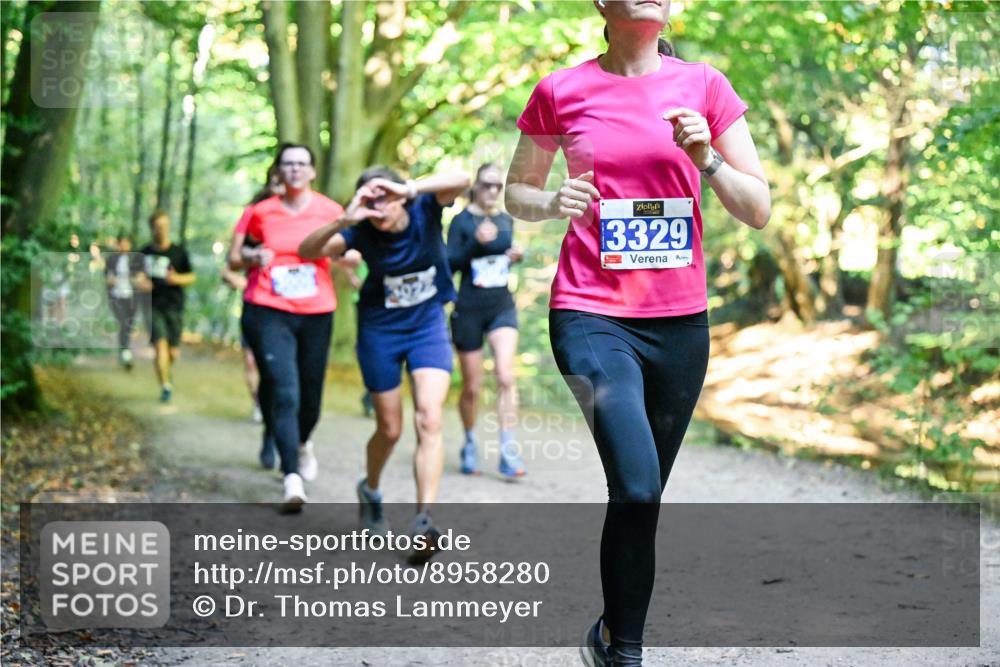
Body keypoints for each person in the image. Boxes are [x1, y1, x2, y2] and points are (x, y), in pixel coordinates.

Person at [505, 1, 771, 664]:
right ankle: (627, 652)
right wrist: (551, 200)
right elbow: (518, 191)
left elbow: (758, 208)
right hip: (591, 311)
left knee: (641, 497)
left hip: (679, 323)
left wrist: (707, 159)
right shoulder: (560, 90)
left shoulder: (706, 87)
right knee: (638, 485)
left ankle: (606, 634)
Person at [298, 166, 469, 563]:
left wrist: (406, 188)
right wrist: (345, 217)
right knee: (389, 429)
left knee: (429, 419)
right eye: (369, 200)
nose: (379, 207)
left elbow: (462, 178)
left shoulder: (426, 206)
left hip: (427, 325)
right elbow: (308, 252)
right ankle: (371, 489)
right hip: (380, 330)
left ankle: (424, 520)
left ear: (399, 193)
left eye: (384, 197)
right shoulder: (359, 231)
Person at [239, 143, 352, 511]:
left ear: (312, 172)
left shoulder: (330, 211)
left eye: (302, 164)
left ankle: (301, 443)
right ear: (280, 171)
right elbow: (236, 255)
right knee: (285, 390)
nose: (295, 170)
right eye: (288, 164)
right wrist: (253, 256)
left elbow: (348, 251)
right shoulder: (261, 212)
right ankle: (291, 479)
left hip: (317, 310)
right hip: (269, 307)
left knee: (311, 398)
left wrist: (349, 260)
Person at [447, 163, 526, 478]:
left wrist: (515, 258)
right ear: (475, 187)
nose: (493, 191)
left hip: (501, 306)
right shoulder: (460, 221)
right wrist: (475, 243)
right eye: (487, 185)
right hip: (468, 309)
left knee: (506, 376)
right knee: (473, 386)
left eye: (498, 185)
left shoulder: (506, 219)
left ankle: (509, 450)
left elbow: (501, 260)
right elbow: (449, 263)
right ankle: (469, 442)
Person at [225, 169, 285, 468]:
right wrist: (252, 260)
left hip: (299, 308)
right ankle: (269, 431)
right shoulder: (253, 216)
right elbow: (232, 262)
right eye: (276, 179)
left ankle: (286, 435)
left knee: (288, 378)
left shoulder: (309, 215)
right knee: (265, 370)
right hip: (259, 305)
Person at [140, 211, 196, 403]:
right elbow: (134, 276)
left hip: (174, 306)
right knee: (160, 345)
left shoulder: (178, 252)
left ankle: (165, 373)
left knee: (172, 352)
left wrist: (176, 279)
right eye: (158, 226)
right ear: (152, 228)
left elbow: (191, 276)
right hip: (152, 305)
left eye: (164, 226)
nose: (161, 230)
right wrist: (140, 282)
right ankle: (165, 386)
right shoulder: (144, 252)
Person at [105, 233, 144, 369]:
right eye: (122, 242)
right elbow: (107, 277)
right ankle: (125, 351)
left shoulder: (137, 259)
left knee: (128, 324)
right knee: (123, 322)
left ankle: (123, 350)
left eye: (127, 242)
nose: (124, 245)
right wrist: (111, 281)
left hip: (132, 297)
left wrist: (136, 280)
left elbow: (141, 276)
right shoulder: (112, 259)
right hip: (116, 297)